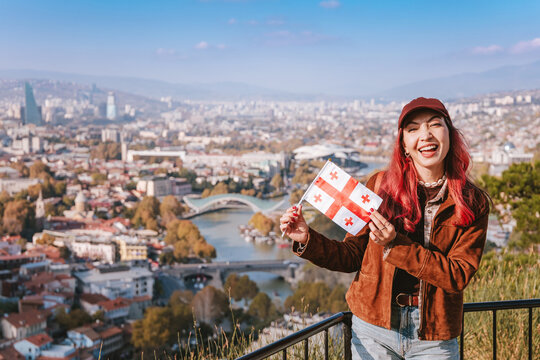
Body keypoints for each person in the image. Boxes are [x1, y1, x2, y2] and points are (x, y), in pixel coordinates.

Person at [280, 97, 491, 359]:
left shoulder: (472, 202)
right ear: (403, 144)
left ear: (450, 134)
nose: (425, 135)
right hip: (373, 325)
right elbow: (352, 256)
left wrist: (396, 245)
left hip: (434, 333)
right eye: (413, 129)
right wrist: (307, 239)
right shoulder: (379, 186)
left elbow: (458, 275)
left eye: (435, 125)